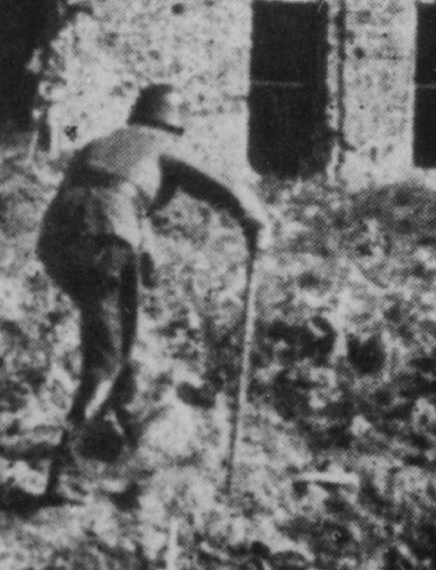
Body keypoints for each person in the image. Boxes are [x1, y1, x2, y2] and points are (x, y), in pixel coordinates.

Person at [36, 84, 270, 503]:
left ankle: (123, 431)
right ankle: (64, 472)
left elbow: (109, 196)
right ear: (174, 125)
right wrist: (253, 219)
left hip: (58, 240)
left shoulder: (98, 146)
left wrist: (145, 256)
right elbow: (219, 185)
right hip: (105, 241)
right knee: (105, 359)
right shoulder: (163, 146)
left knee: (114, 336)